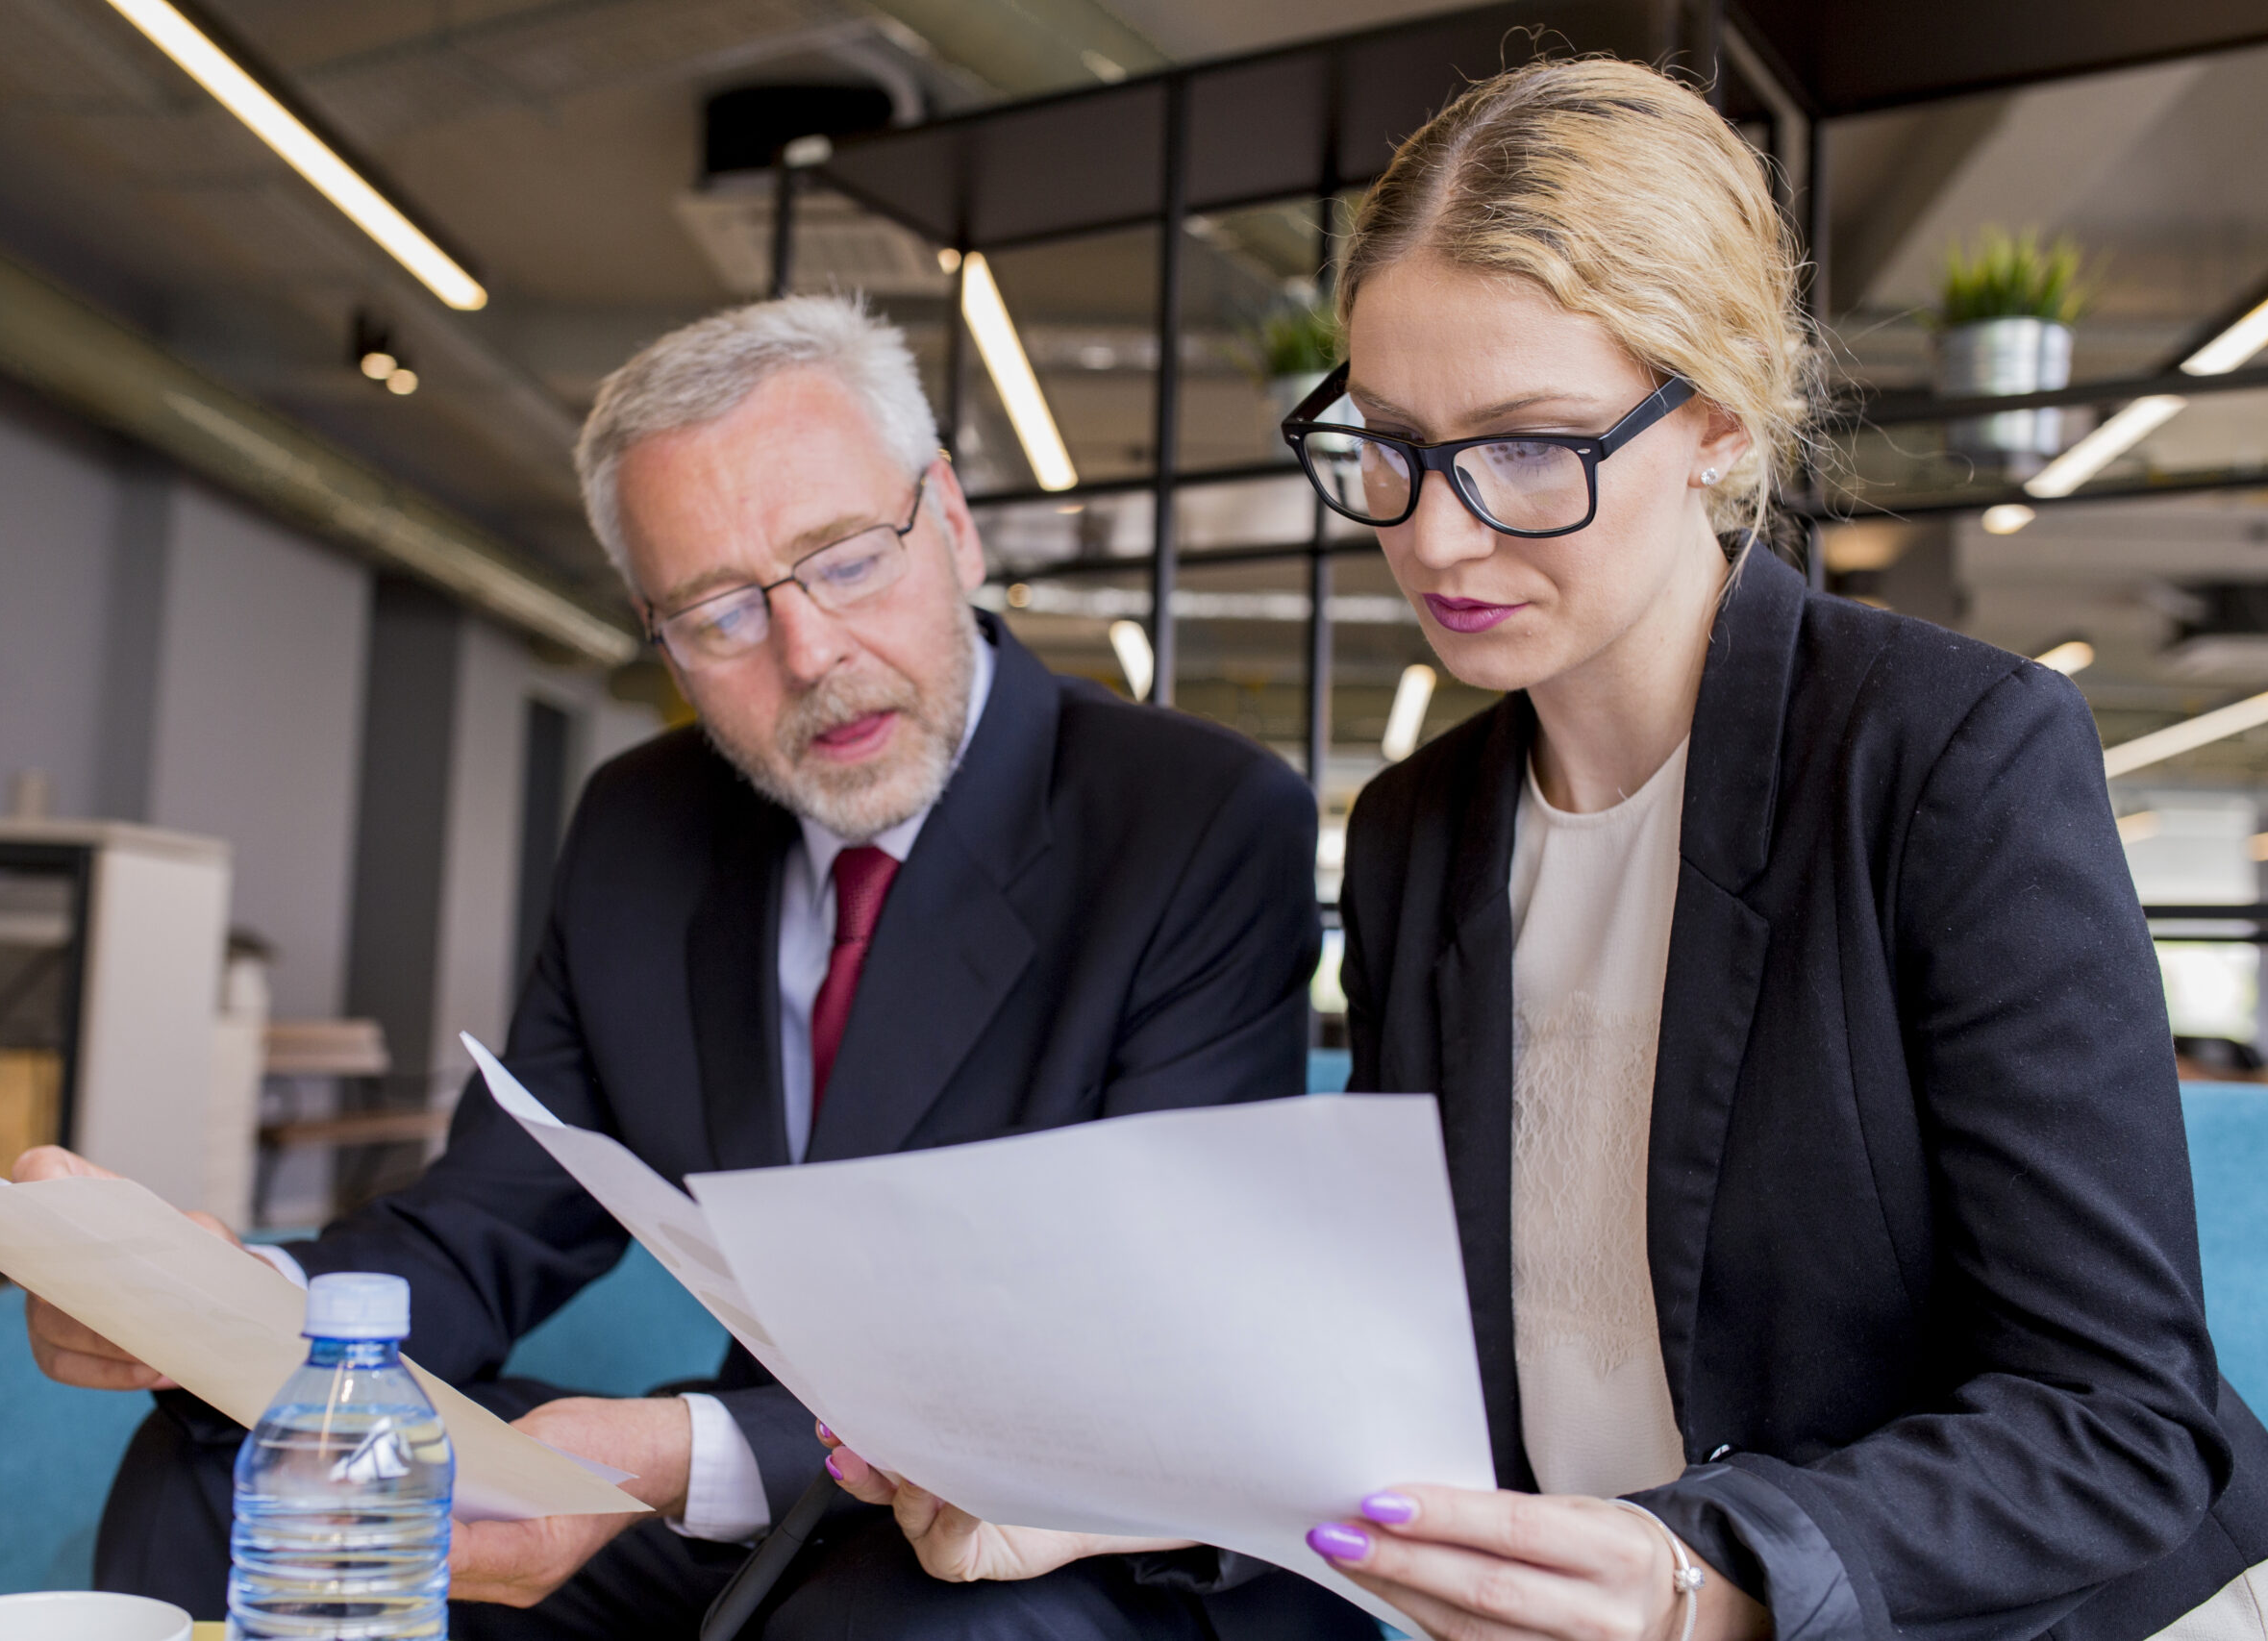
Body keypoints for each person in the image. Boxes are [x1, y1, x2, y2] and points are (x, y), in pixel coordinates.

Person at [818, 58, 2268, 1641]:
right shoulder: (1416, 835)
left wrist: (1706, 1576)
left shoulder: (1944, 761)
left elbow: (2123, 1420)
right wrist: (1098, 1482)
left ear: (1713, 420)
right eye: (1388, 440)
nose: (1435, 534)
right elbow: (1398, 1365)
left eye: (1526, 449)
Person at [17, 294, 1367, 1641]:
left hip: (1077, 1533)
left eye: (844, 559)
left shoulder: (1195, 820)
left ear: (950, 521)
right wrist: (227, 1313)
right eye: (719, 611)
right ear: (656, 635)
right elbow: (487, 1227)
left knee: (903, 1622)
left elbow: (1132, 1354)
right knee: (238, 1468)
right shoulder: (640, 829)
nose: (809, 656)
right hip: (775, 1515)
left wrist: (681, 1452)